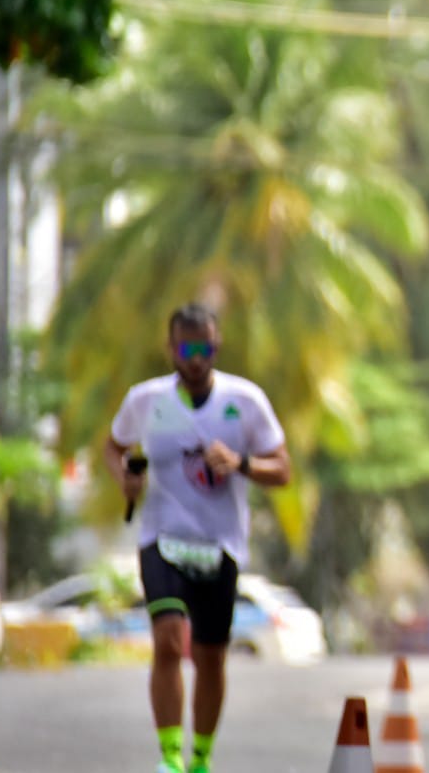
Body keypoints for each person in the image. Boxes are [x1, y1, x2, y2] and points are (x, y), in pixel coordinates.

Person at [106, 303, 292, 773]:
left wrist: (241, 464)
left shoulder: (244, 401)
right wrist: (125, 479)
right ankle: (169, 757)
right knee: (169, 641)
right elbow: (115, 447)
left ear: (217, 345)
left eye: (205, 348)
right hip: (162, 538)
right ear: (170, 349)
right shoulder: (146, 400)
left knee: (211, 658)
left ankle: (200, 759)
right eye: (186, 348)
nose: (195, 359)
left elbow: (282, 468)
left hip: (220, 544)